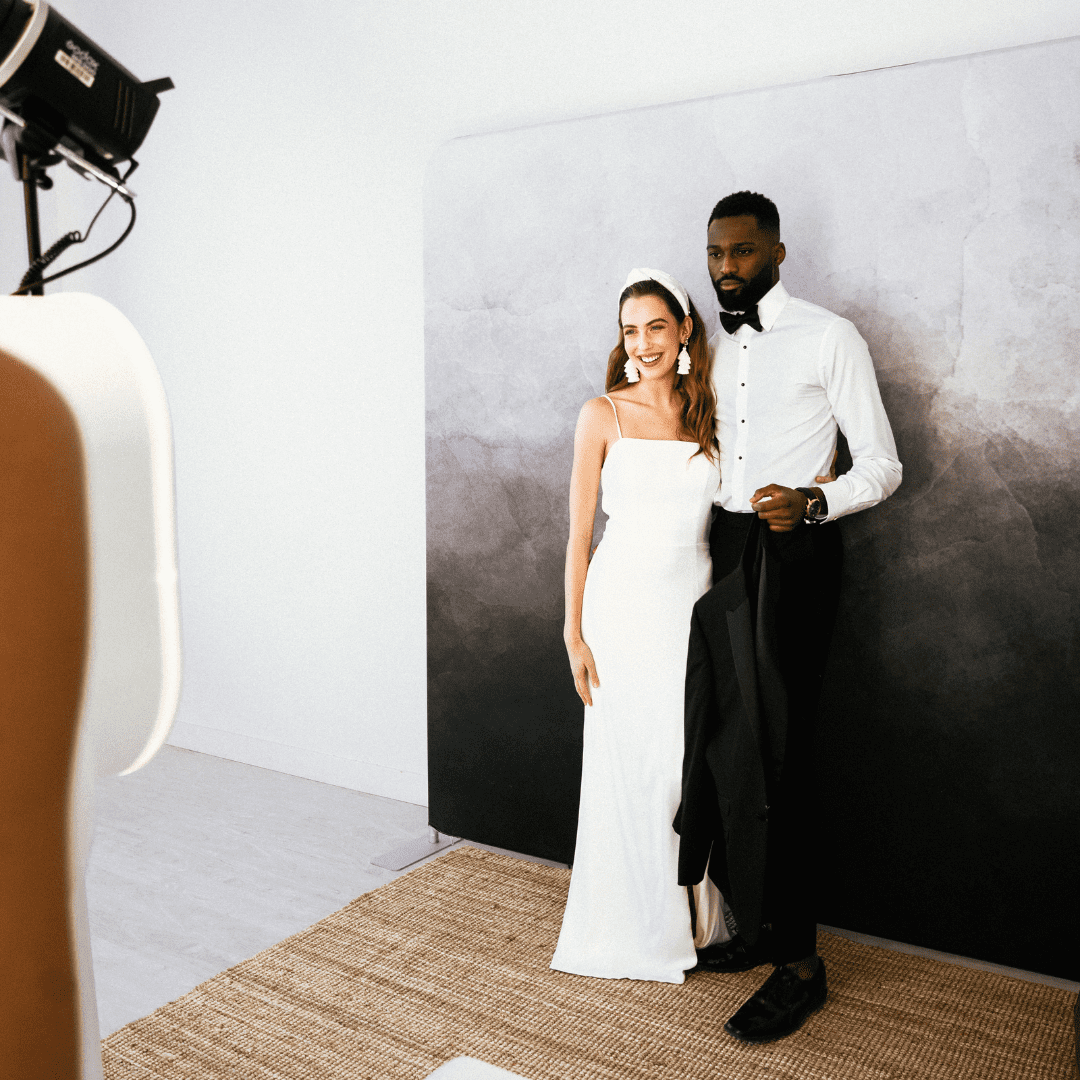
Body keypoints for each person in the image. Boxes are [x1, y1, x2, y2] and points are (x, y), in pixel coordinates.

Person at [676, 191, 902, 1041]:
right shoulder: (706, 343)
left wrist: (812, 502)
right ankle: (759, 928)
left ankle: (801, 964)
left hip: (794, 551)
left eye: (740, 252)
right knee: (724, 741)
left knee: (782, 753)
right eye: (713, 253)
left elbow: (883, 465)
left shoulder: (829, 335)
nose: (725, 267)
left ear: (777, 250)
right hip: (723, 547)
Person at [551, 268, 730, 982]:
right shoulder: (603, 413)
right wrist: (573, 634)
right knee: (630, 767)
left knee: (686, 764)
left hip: (693, 603)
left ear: (684, 330)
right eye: (631, 330)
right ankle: (633, 926)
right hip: (620, 609)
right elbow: (577, 535)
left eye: (657, 326)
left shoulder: (711, 415)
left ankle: (696, 915)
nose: (644, 342)